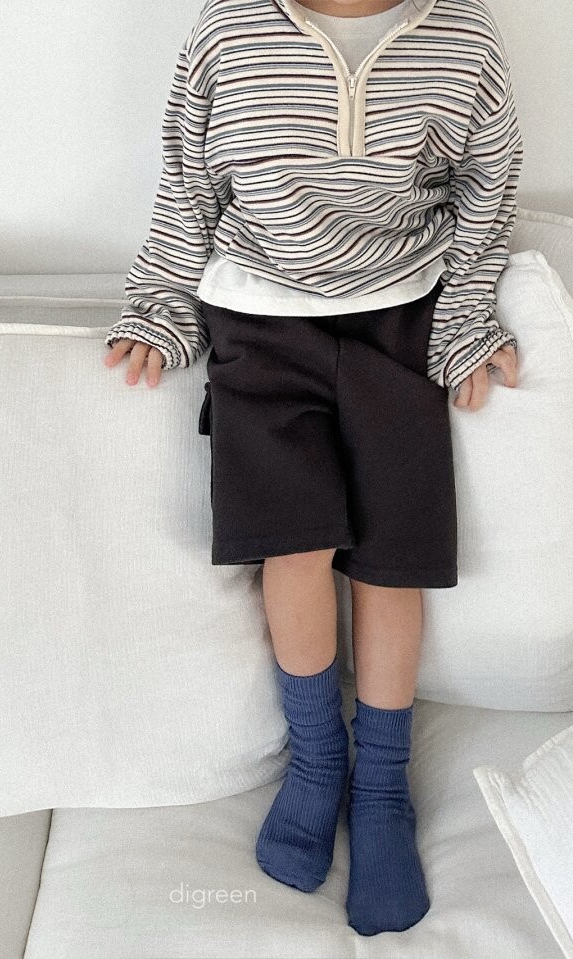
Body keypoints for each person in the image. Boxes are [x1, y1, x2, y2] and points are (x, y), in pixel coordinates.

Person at [103, 0, 522, 937]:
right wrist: (160, 303)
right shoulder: (230, 30)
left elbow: (487, 188)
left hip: (402, 317)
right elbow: (187, 181)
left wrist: (464, 317)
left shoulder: (462, 36)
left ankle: (382, 788)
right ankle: (318, 758)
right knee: (293, 549)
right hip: (256, 322)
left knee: (391, 564)